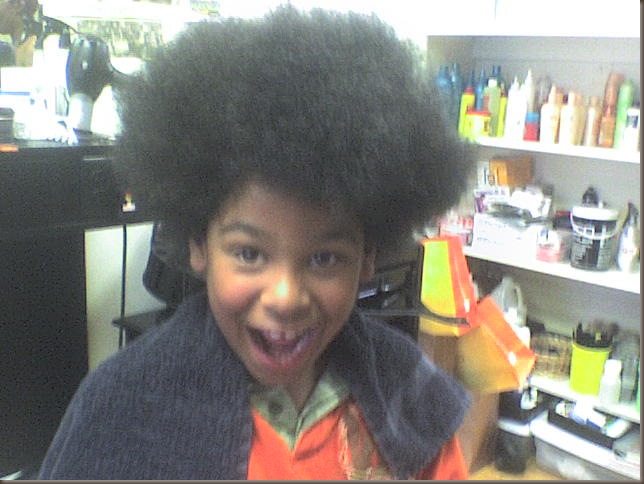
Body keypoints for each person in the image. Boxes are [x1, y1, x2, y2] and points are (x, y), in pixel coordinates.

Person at [39, 5, 474, 480]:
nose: (285, 297)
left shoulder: (410, 394)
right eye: (249, 253)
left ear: (368, 254)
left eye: (324, 258)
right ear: (199, 243)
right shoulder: (121, 408)